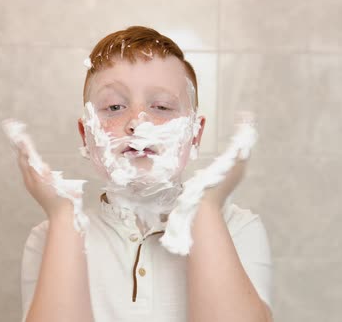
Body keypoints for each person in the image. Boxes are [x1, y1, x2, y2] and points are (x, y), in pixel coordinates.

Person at [15, 26, 272, 322]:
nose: (138, 123)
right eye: (114, 107)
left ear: (195, 135)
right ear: (86, 135)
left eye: (161, 106)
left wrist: (204, 206)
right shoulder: (52, 237)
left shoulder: (237, 228)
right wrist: (62, 218)